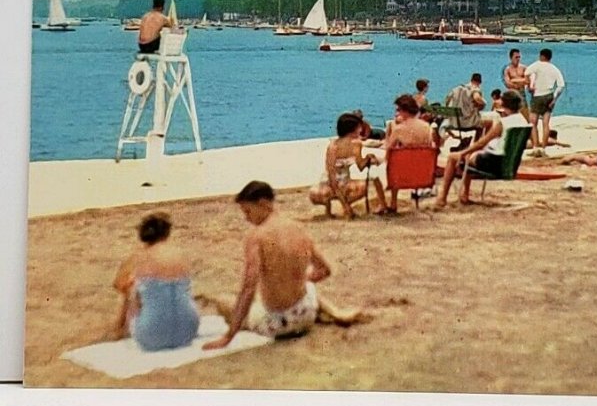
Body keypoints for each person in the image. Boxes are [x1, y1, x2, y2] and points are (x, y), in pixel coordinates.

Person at [202, 182, 367, 350]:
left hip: (280, 323)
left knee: (223, 302)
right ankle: (335, 311)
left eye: (248, 211)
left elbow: (248, 288)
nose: (246, 218)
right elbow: (325, 270)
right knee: (303, 282)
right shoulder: (297, 227)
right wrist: (296, 280)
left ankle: (330, 311)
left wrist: (228, 336)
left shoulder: (257, 237)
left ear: (263, 204)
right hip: (307, 314)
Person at [109, 212, 199, 351]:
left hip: (151, 336)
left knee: (130, 288)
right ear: (167, 233)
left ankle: (119, 330)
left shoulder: (138, 257)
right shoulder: (180, 254)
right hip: (188, 332)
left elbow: (118, 285)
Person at [435, 90, 529, 207]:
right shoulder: (523, 122)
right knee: (470, 157)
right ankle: (464, 195)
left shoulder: (502, 123)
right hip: (509, 164)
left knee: (453, 157)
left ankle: (442, 198)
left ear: (504, 104)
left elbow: (481, 143)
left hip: (494, 162)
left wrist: (462, 152)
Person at [309, 113, 388, 218]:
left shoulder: (357, 144)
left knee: (373, 181)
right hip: (329, 184)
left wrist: (368, 158)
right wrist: (345, 205)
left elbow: (361, 166)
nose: (361, 130)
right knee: (321, 192)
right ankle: (336, 208)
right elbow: (331, 177)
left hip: (345, 182)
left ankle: (383, 206)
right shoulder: (333, 147)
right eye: (359, 127)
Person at [385, 94, 434, 212]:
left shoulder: (399, 129)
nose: (397, 112)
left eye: (398, 109)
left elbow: (389, 151)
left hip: (400, 176)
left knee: (392, 163)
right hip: (422, 172)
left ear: (404, 110)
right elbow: (429, 146)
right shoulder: (427, 127)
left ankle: (392, 203)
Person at [524, 48, 566, 151]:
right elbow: (561, 85)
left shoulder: (537, 65)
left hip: (538, 95)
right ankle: (543, 148)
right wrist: (555, 99)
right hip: (549, 95)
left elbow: (526, 72)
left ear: (541, 56)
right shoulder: (554, 68)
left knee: (533, 123)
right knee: (546, 123)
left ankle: (535, 147)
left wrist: (529, 85)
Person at [436, 73, 486, 148]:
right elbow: (477, 98)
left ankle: (465, 144)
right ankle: (476, 146)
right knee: (482, 125)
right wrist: (484, 102)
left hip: (455, 122)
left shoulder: (457, 89)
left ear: (471, 79)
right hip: (467, 122)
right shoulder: (475, 88)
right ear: (479, 82)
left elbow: (447, 99)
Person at [502, 48, 529, 119]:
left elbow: (528, 81)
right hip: (512, 94)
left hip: (522, 93)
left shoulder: (524, 68)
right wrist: (519, 83)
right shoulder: (507, 69)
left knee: (525, 114)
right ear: (511, 58)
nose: (518, 59)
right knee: (509, 114)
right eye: (516, 57)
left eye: (519, 57)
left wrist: (514, 80)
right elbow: (507, 83)